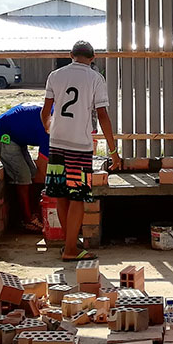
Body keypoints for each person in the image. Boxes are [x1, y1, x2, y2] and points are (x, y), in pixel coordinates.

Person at [41, 41, 118, 262]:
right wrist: (113, 151)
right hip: (79, 145)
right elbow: (102, 115)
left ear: (71, 55)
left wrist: (49, 127)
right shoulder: (95, 78)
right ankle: (71, 249)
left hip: (57, 142)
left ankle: (70, 244)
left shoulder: (55, 75)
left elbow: (46, 111)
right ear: (93, 57)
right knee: (78, 197)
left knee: (61, 195)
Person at [0, 103, 50, 233]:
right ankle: (26, 220)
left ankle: (33, 212)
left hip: (18, 136)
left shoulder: (55, 117)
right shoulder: (49, 129)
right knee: (23, 177)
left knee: (31, 174)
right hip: (3, 136)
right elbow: (42, 168)